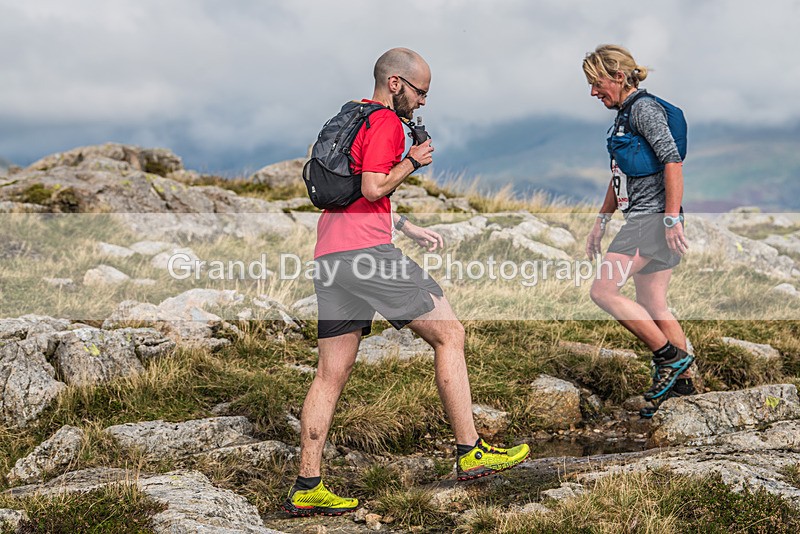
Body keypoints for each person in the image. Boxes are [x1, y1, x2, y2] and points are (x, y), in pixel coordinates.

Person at [282, 47, 530, 517]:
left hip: (331, 256)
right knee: (450, 333)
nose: (421, 103)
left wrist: (404, 226)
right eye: (420, 92)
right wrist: (413, 160)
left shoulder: (352, 116)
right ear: (396, 83)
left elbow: (359, 191)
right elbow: (375, 186)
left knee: (330, 374)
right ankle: (471, 450)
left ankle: (307, 485)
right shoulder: (386, 124)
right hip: (368, 257)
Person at [582, 45, 696, 418]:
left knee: (603, 289)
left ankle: (669, 358)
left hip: (651, 220)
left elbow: (672, 161)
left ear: (618, 76)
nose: (593, 92)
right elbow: (620, 178)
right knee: (654, 304)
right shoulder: (623, 116)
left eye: (596, 83)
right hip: (645, 218)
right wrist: (601, 221)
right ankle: (685, 394)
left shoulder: (643, 109)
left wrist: (670, 218)